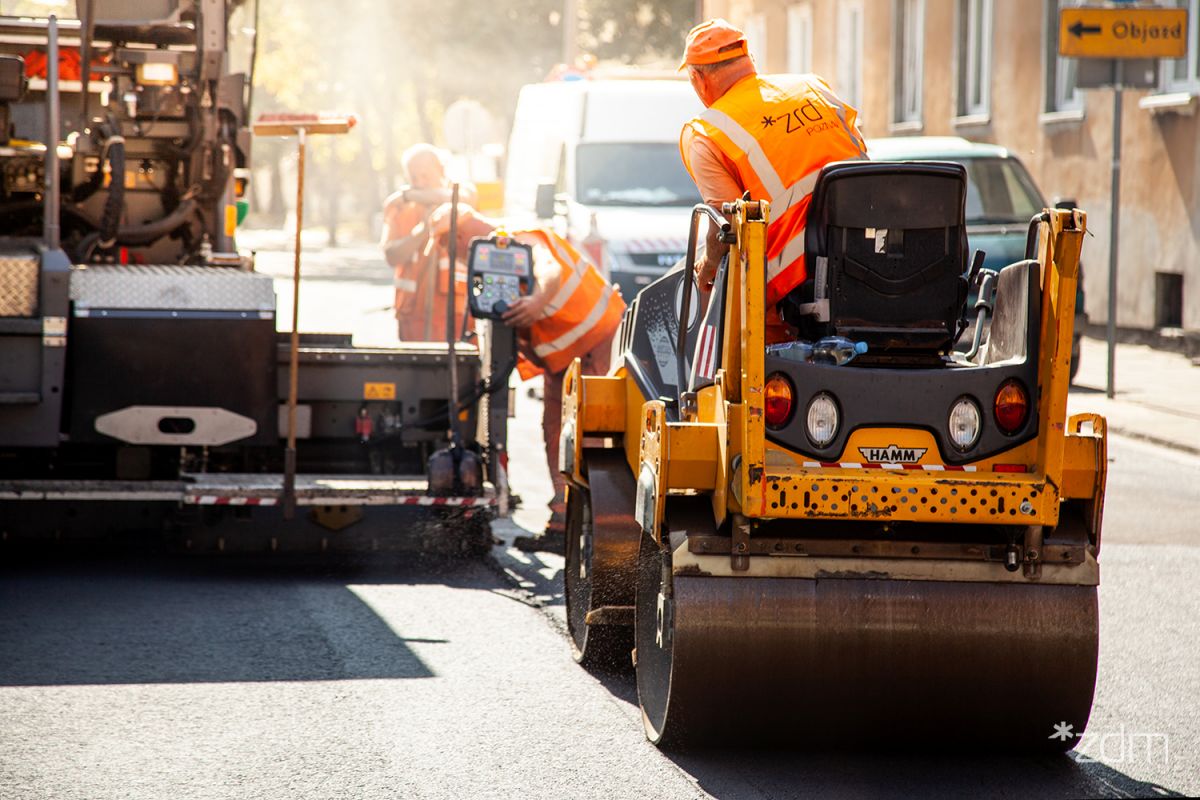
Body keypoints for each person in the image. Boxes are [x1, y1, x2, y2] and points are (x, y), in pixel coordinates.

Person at [428, 204, 626, 554]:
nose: (453, 257)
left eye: (448, 248)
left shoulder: (516, 239)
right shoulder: (495, 255)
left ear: (457, 237)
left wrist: (535, 301)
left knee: (593, 437)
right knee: (556, 435)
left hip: (597, 342)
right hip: (565, 360)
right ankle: (563, 525)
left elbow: (550, 269)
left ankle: (607, 532)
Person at [678, 19, 868, 342]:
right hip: (876, 258)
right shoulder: (813, 87)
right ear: (750, 60)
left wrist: (706, 267)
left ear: (697, 79)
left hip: (799, 290)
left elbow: (728, 227)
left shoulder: (706, 133)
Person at [380, 144, 476, 342]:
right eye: (414, 177)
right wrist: (423, 231)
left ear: (441, 170)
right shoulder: (400, 208)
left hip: (456, 314)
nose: (420, 182)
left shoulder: (461, 194)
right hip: (413, 315)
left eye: (426, 175)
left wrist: (408, 195)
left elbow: (462, 198)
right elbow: (391, 255)